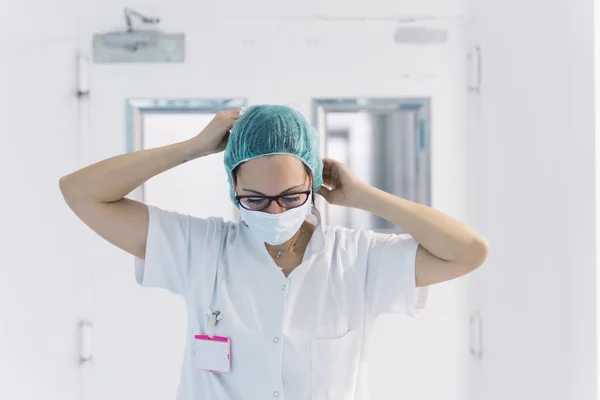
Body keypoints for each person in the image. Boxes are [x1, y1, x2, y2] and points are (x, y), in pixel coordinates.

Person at [59, 105, 488, 400]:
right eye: (256, 199)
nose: (275, 210)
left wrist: (366, 197)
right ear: (233, 189)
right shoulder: (199, 249)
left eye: (290, 195)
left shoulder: (358, 260)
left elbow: (468, 252)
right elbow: (80, 193)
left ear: (315, 181)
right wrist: (193, 146)